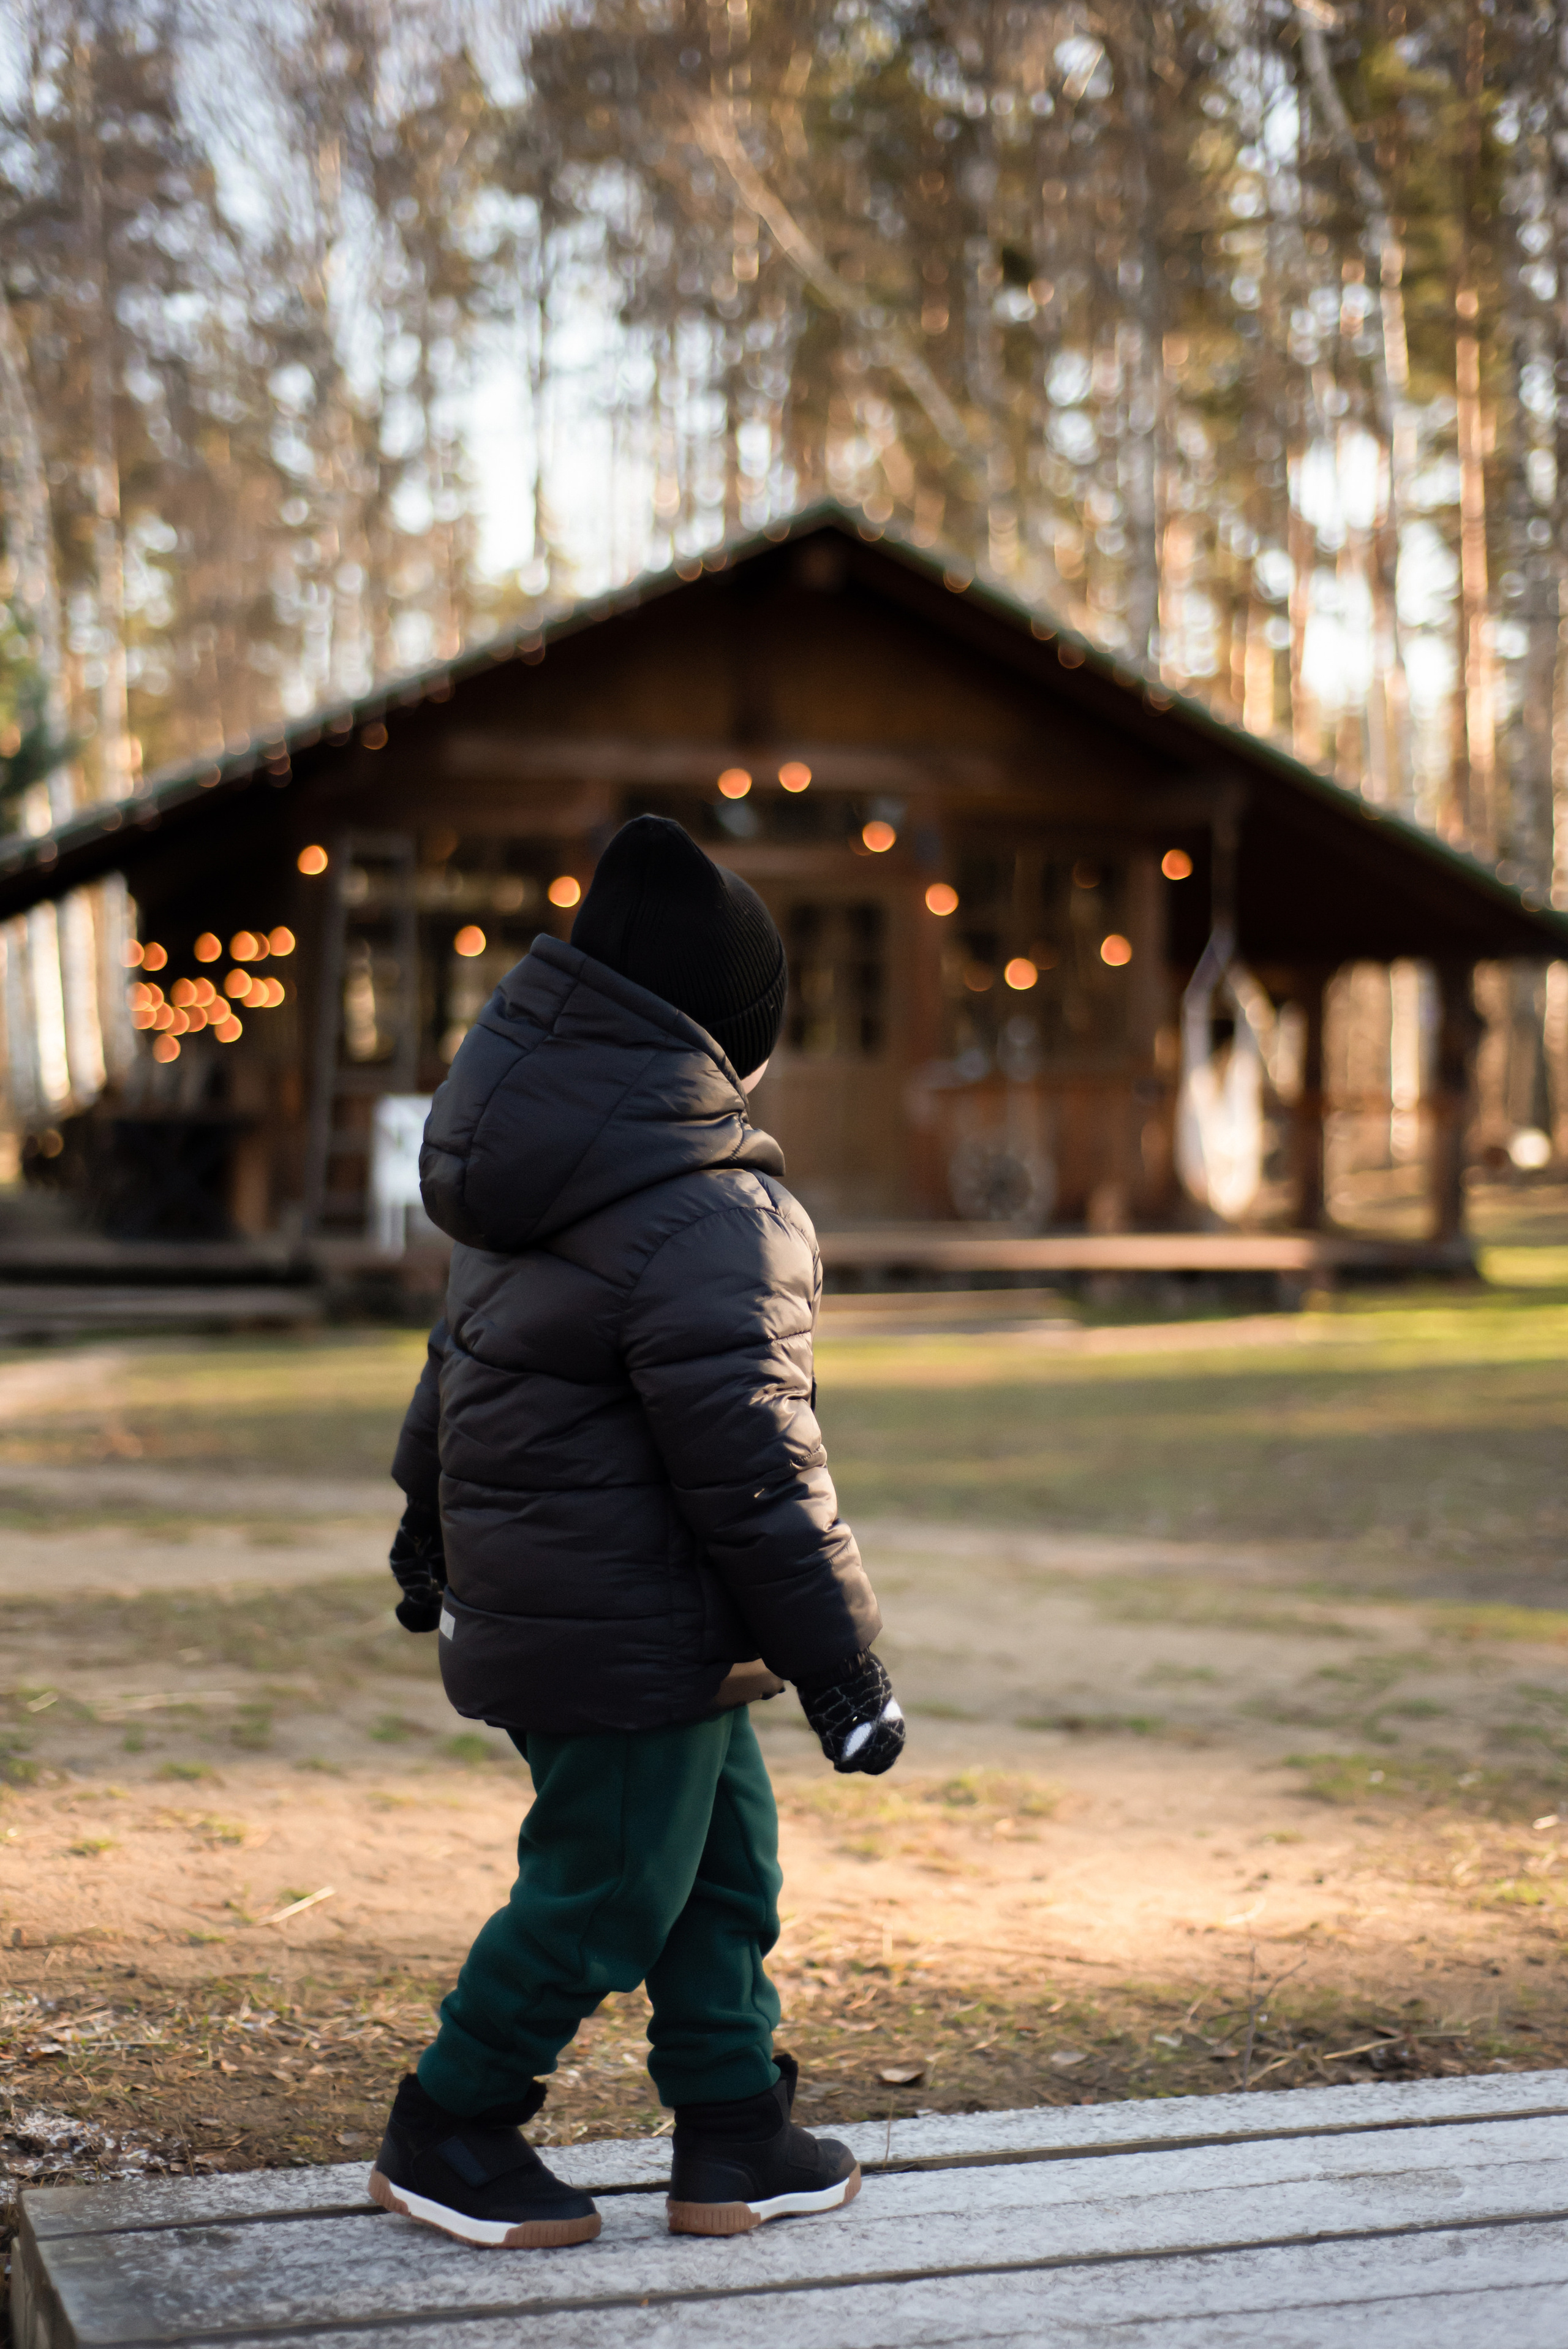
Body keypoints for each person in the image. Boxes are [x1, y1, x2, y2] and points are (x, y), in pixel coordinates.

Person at [368, 814, 905, 2251]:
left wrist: (428, 1530)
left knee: (724, 1867)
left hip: (625, 1615)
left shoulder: (541, 1167)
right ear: (726, 1038)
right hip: (618, 1626)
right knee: (608, 1886)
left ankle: (731, 2128)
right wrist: (845, 1668)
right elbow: (755, 1469)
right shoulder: (708, 1206)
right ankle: (451, 2122)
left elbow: (454, 1368)